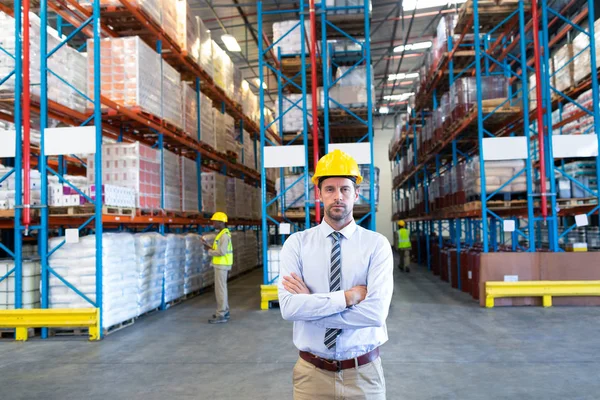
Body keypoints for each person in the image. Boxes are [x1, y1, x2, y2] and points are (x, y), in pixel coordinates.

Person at [278, 149, 394, 400]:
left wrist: (310, 308)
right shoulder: (296, 244)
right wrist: (348, 297)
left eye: (345, 189)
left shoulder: (377, 245)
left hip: (364, 374)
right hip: (311, 375)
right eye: (329, 189)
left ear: (356, 194)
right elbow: (289, 309)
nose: (338, 196)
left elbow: (375, 314)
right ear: (319, 194)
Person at [202, 212, 233, 324]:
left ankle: (221, 314)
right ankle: (225, 311)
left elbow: (221, 252)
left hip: (222, 265)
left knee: (220, 290)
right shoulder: (221, 234)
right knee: (221, 289)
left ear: (221, 222)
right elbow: (219, 249)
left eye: (215, 221)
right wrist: (209, 246)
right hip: (220, 265)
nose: (213, 223)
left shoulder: (224, 235)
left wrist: (209, 251)